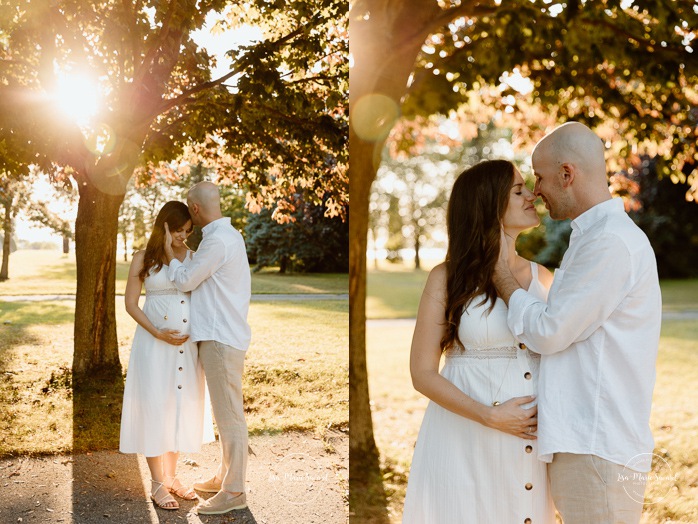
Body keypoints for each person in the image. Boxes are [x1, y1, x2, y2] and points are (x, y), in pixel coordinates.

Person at [493, 122, 662, 524]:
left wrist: (501, 275)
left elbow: (551, 331)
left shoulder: (610, 242)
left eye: (540, 177)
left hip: (597, 448)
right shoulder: (594, 237)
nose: (536, 191)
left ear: (567, 175)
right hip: (587, 445)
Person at [402, 160, 556, 523]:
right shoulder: (447, 278)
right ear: (487, 205)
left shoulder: (543, 278)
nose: (532, 195)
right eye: (518, 191)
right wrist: (490, 416)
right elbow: (422, 372)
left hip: (526, 440)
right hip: (462, 436)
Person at [120, 200, 215, 511]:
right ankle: (158, 483)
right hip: (154, 346)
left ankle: (172, 477)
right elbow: (131, 304)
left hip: (187, 350)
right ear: (163, 226)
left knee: (178, 408)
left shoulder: (193, 258)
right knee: (155, 407)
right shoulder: (142, 260)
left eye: (188, 231)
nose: (183, 237)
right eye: (177, 231)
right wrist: (157, 332)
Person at [164, 181, 251, 515]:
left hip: (219, 338)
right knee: (223, 413)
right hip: (221, 336)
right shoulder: (228, 237)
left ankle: (234, 490)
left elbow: (186, 279)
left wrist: (171, 256)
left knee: (229, 416)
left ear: (195, 209)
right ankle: (224, 475)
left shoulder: (216, 242)